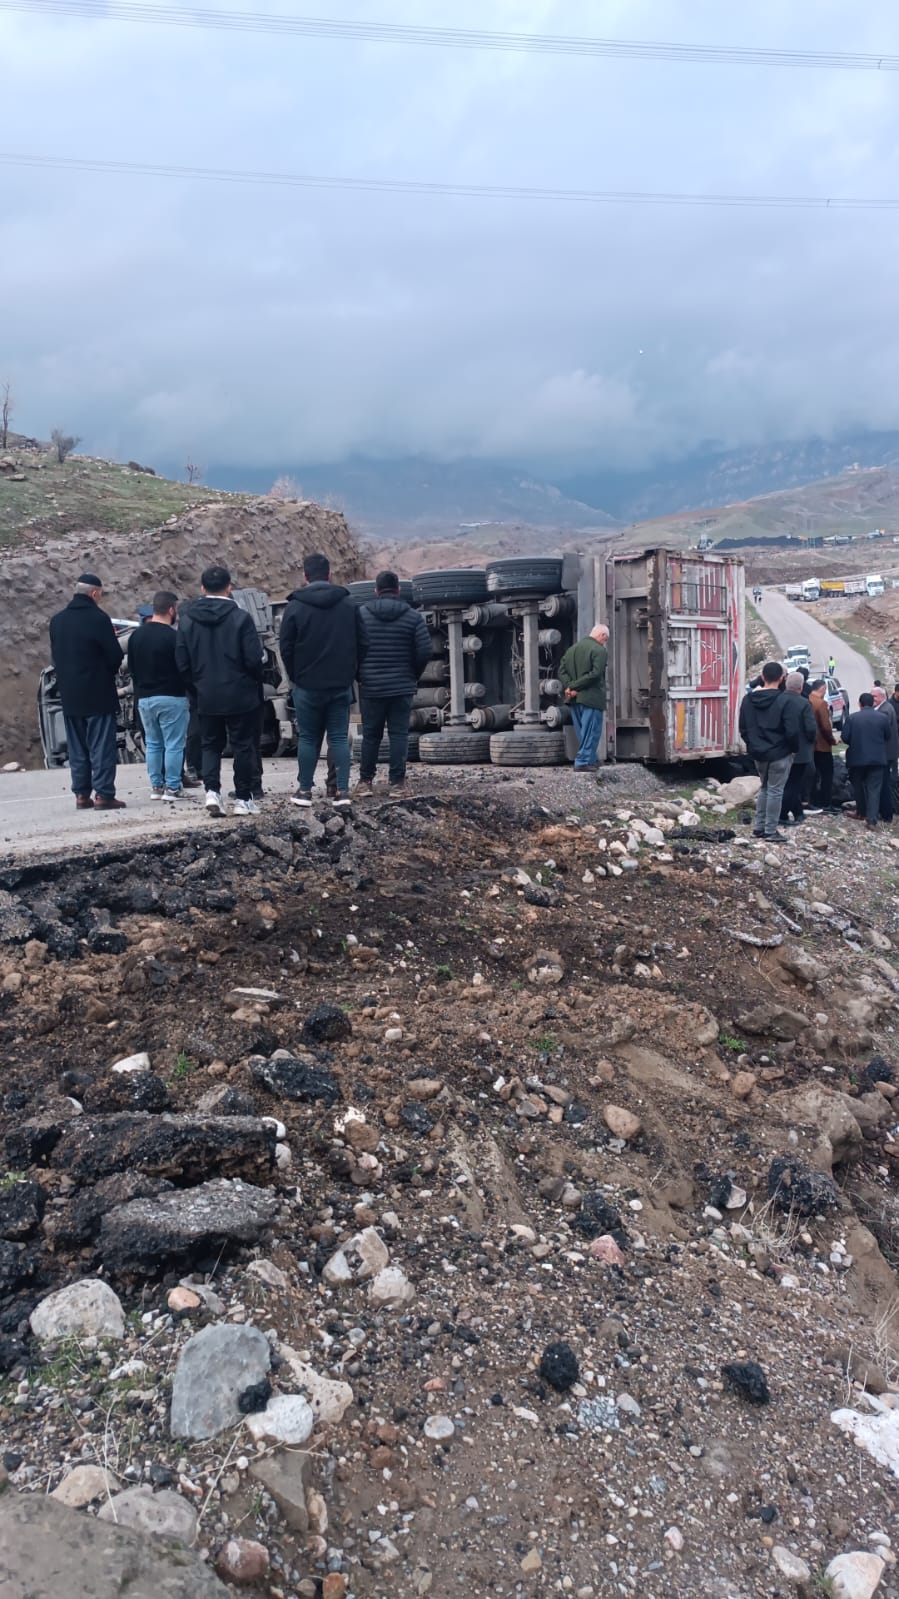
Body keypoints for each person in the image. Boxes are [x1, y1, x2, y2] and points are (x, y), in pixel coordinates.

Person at [174, 565, 265, 817]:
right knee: (243, 746)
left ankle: (212, 792)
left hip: (206, 693)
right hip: (240, 694)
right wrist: (252, 682)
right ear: (229, 588)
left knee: (210, 744)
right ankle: (244, 798)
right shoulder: (241, 618)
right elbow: (254, 659)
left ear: (202, 588)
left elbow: (182, 661)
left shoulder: (188, 619)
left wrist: (196, 687)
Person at [279, 552, 366, 808]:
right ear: (329, 575)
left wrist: (296, 677)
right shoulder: (349, 605)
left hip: (306, 684)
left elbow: (286, 647)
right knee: (338, 738)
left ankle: (305, 791)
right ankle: (342, 792)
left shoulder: (295, 607)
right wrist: (351, 673)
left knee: (307, 738)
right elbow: (363, 643)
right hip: (340, 684)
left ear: (305, 577)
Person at [49, 573, 126, 811]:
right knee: (101, 745)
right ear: (94, 593)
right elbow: (115, 655)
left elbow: (55, 657)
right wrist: (107, 673)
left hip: (70, 694)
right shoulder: (99, 618)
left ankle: (81, 795)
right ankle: (104, 794)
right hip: (98, 692)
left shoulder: (57, 621)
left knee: (77, 746)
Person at [354, 570, 431, 796]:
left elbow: (353, 650)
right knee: (399, 734)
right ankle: (397, 783)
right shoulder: (413, 616)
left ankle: (365, 782)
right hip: (401, 686)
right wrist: (412, 674)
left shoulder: (362, 615)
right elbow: (425, 651)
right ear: (398, 590)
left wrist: (361, 674)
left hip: (371, 686)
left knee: (371, 734)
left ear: (376, 591)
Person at [127, 591, 191, 800]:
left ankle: (156, 786)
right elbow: (184, 667)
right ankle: (173, 787)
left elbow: (132, 669)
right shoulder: (174, 636)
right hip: (171, 697)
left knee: (153, 743)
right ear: (171, 610)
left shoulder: (136, 636)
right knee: (174, 743)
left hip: (144, 698)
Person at [738, 660, 793, 843]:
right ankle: (770, 830)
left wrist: (752, 744)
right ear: (782, 678)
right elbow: (791, 729)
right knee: (775, 790)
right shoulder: (785, 700)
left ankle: (759, 827)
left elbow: (743, 727)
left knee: (765, 788)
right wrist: (791, 748)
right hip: (779, 751)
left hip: (758, 752)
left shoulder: (748, 699)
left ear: (762, 677)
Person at [559, 623, 610, 771]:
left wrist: (570, 687)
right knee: (591, 731)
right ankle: (582, 762)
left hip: (574, 699)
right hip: (591, 698)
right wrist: (575, 687)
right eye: (605, 639)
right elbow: (595, 674)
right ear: (602, 636)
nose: (604, 642)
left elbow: (561, 671)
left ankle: (591, 760)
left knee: (583, 732)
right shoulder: (599, 650)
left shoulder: (571, 650)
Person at [842, 692, 890, 830]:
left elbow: (845, 737)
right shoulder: (882, 718)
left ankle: (860, 812)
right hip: (877, 759)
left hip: (857, 759)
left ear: (860, 704)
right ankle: (872, 820)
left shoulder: (852, 718)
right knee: (874, 789)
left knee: (858, 787)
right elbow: (888, 735)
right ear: (873, 703)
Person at [779, 671, 817, 825]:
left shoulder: (777, 700)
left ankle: (798, 813)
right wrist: (810, 741)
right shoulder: (804, 703)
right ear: (801, 687)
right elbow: (810, 729)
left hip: (779, 749)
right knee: (793, 784)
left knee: (784, 783)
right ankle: (782, 814)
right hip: (800, 751)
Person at [808, 677, 837, 811]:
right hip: (822, 745)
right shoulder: (821, 704)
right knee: (826, 775)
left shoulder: (807, 700)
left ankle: (812, 800)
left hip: (810, 746)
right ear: (823, 689)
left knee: (813, 775)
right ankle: (825, 802)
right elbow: (825, 726)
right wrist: (832, 740)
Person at [872, 686, 899, 822]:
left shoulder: (886, 710)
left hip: (886, 753)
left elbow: (881, 731)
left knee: (884, 783)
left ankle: (886, 813)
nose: (873, 699)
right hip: (886, 752)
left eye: (875, 697)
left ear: (882, 697)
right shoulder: (885, 708)